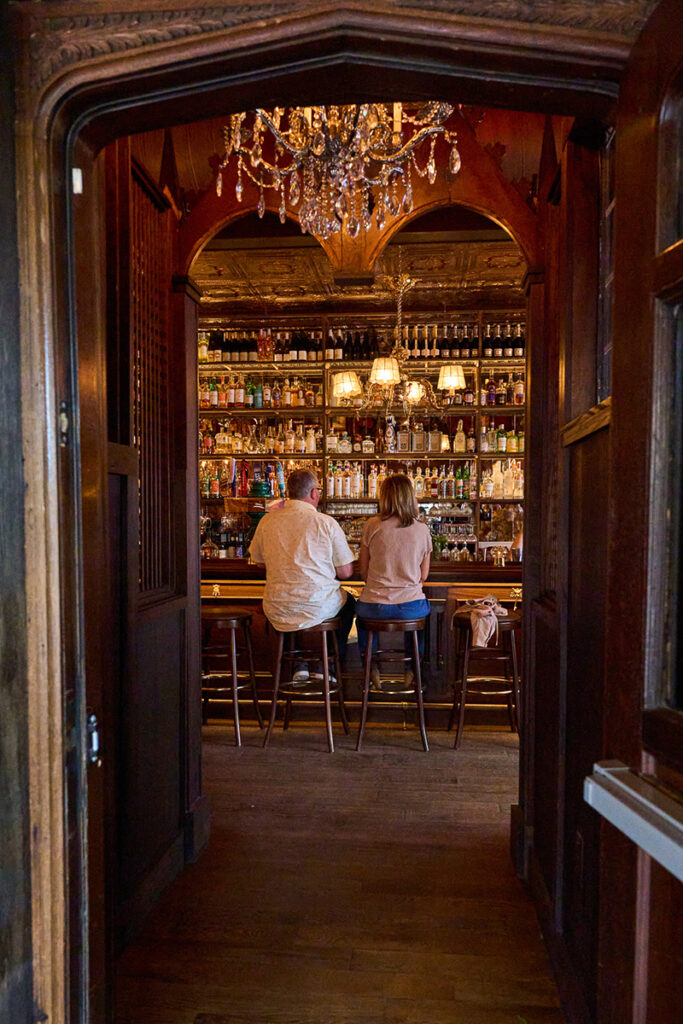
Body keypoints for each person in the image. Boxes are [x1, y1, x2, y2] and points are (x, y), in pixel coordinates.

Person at [248, 468, 356, 678]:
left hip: (277, 607)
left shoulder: (266, 521)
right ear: (314, 493)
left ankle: (298, 665)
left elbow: (258, 562)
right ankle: (327, 665)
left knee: (289, 611)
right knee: (349, 603)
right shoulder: (326, 523)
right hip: (318, 606)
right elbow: (345, 572)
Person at [355, 473, 432, 684]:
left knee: (362, 619)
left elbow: (363, 571)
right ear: (410, 496)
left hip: (374, 605)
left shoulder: (372, 525)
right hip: (411, 605)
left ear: (385, 497)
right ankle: (412, 667)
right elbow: (423, 576)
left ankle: (372, 667)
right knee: (421, 618)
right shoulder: (422, 529)